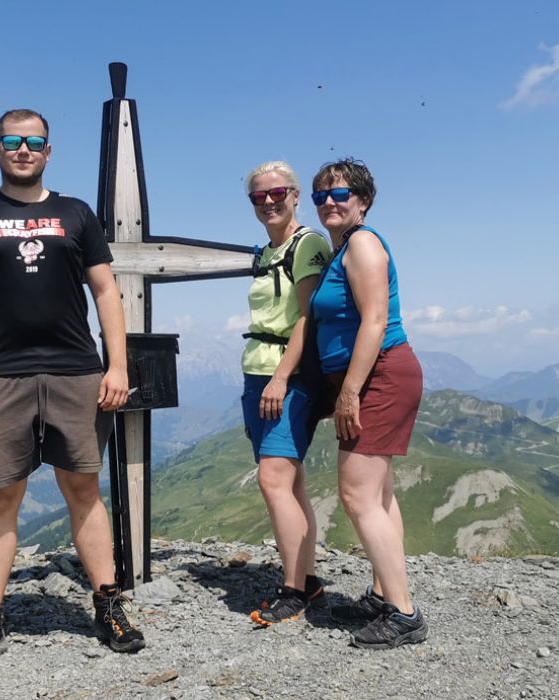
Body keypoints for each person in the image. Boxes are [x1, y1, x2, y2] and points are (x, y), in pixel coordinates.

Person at [0, 108, 145, 669]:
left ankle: (107, 604)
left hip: (76, 369)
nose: (23, 149)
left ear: (48, 151)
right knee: (1, 495)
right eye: (13, 140)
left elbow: (106, 292)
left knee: (83, 488)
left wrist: (117, 365)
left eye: (34, 141)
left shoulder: (76, 214)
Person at [307, 157, 428, 649]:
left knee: (357, 494)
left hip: (379, 376)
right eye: (321, 196)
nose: (330, 203)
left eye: (340, 195)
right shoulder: (345, 249)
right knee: (378, 495)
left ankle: (403, 614)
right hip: (377, 375)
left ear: (363, 201)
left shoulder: (362, 243)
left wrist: (351, 391)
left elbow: (375, 322)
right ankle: (384, 593)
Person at [236, 161, 333, 627]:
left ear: (294, 195)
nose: (269, 202)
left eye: (278, 193)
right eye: (259, 196)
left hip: (285, 378)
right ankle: (307, 577)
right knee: (289, 482)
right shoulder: (267, 250)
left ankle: (293, 589)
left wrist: (280, 377)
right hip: (259, 374)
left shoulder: (307, 244)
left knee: (272, 481)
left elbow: (307, 316)